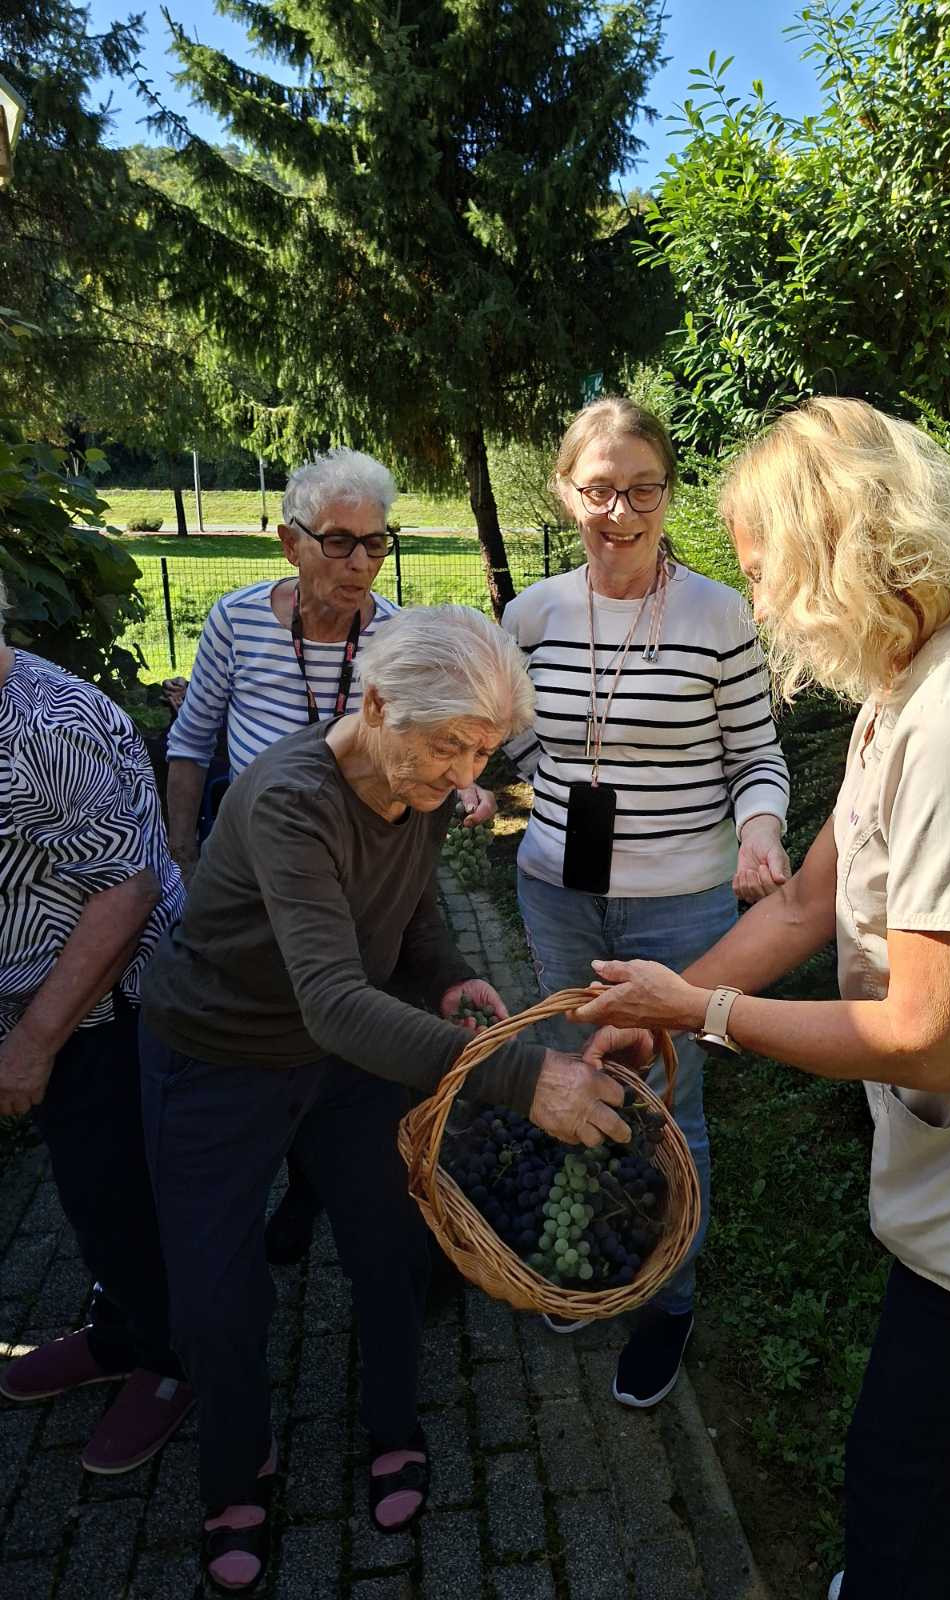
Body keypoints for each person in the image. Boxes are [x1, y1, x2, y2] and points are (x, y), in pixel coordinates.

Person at [573, 398, 950, 1599]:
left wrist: (703, 1015)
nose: (761, 610)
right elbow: (804, 904)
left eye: (763, 574)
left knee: (909, 1504)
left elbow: (928, 1040)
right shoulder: (908, 694)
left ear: (831, 550)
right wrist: (663, 1000)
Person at [138, 604, 642, 1593]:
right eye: (449, 746)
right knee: (215, 1290)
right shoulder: (292, 800)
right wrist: (524, 1074)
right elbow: (331, 999)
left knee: (395, 1241)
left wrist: (445, 972)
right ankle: (235, 1469)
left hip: (345, 1056)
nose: (464, 776)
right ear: (374, 704)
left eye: (483, 752)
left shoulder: (418, 786)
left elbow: (410, 905)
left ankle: (393, 1426)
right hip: (218, 1057)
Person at [501, 397, 791, 1408]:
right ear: (565, 493)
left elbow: (757, 758)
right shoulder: (532, 616)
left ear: (669, 493)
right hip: (559, 895)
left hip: (683, 909)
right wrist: (513, 788)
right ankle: (588, 1257)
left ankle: (669, 1295)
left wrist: (760, 832)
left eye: (643, 490)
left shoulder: (717, 616)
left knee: (669, 1100)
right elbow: (514, 740)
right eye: (599, 491)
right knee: (576, 1078)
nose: (620, 514)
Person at [164, 447, 495, 1265]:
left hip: (358, 877)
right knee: (278, 1042)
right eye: (339, 542)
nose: (360, 563)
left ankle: (319, 1188)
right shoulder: (237, 619)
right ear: (290, 542)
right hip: (254, 874)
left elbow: (423, 747)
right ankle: (294, 1180)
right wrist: (184, 861)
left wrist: (458, 783)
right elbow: (192, 741)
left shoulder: (397, 638)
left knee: (346, 1052)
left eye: (376, 543)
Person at [0, 574, 194, 1474]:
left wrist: (33, 1042)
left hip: (108, 1009)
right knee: (91, 1193)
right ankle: (120, 1330)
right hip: (45, 1005)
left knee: (121, 1193)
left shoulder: (46, 727)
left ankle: (174, 1359)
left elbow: (126, 891)